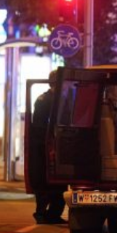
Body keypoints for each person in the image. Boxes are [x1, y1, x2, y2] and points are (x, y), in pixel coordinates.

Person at [30, 70, 66, 224]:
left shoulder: (52, 99)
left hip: (52, 146)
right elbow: (41, 127)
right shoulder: (47, 100)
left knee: (56, 184)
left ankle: (51, 214)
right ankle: (42, 214)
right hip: (45, 147)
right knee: (46, 182)